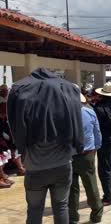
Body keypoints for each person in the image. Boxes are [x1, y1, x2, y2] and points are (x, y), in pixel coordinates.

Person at [7, 68, 84, 224]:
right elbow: (78, 127)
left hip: (35, 169)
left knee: (35, 210)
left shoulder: (25, 101)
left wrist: (21, 151)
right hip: (63, 166)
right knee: (61, 206)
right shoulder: (66, 101)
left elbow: (17, 130)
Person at [69, 91, 104, 224]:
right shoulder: (90, 112)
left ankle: (72, 216)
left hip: (69, 155)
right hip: (87, 153)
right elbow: (97, 132)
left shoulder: (62, 114)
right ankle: (96, 213)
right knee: (91, 184)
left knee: (71, 188)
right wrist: (96, 148)